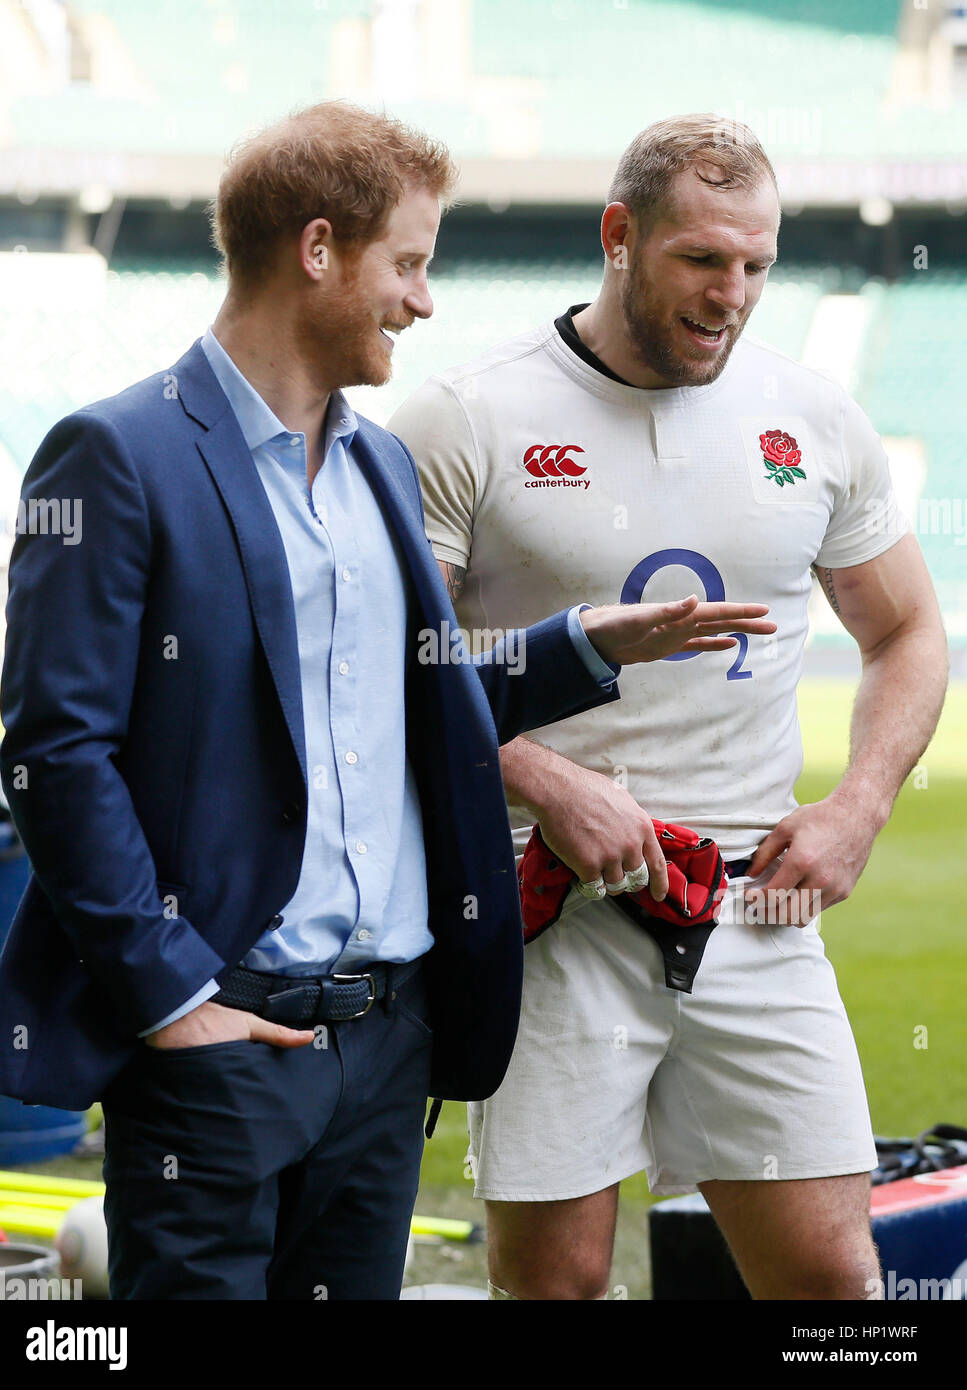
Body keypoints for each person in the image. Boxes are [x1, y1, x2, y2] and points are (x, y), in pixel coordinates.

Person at [0, 103, 775, 1301]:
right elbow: (57, 753)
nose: (423, 299)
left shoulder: (378, 463)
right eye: (407, 263)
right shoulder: (116, 454)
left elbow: (417, 698)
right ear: (317, 252)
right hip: (220, 1044)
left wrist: (578, 646)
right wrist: (170, 996)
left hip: (385, 1043)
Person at [390, 112, 948, 1301]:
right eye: (702, 259)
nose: (731, 292)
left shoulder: (815, 418)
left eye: (756, 264)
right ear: (619, 234)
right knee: (559, 1288)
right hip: (550, 908)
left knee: (831, 1287)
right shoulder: (467, 414)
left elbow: (905, 629)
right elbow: (398, 656)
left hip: (756, 904)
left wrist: (857, 805)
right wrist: (543, 778)